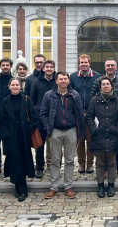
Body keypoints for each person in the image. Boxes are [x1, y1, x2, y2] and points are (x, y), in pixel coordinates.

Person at [41, 71, 85, 199]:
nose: (63, 81)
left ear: (68, 80)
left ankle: (68, 186)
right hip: (55, 130)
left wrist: (79, 132)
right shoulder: (49, 95)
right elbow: (43, 113)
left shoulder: (74, 95)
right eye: (61, 79)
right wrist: (48, 127)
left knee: (70, 160)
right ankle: (54, 187)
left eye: (65, 79)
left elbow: (80, 114)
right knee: (55, 160)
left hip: (71, 130)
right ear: (56, 81)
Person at [0, 78, 39, 202]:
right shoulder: (5, 101)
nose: (15, 87)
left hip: (23, 134)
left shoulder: (26, 99)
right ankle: (17, 185)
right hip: (11, 135)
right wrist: (5, 135)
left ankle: (23, 186)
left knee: (23, 159)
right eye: (13, 85)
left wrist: (28, 128)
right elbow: (1, 119)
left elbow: (34, 116)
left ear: (20, 87)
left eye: (17, 85)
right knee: (14, 160)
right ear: (9, 86)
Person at [86, 76, 118, 198]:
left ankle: (111, 186)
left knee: (112, 162)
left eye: (107, 84)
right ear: (100, 87)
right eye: (103, 84)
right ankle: (100, 186)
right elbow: (89, 116)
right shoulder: (94, 100)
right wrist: (94, 130)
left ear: (111, 86)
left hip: (113, 135)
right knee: (99, 163)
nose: (105, 86)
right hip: (99, 135)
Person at [89, 59, 118, 177]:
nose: (110, 67)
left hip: (116, 121)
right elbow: (93, 99)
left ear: (116, 67)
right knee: (103, 146)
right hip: (101, 121)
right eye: (108, 65)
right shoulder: (98, 81)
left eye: (112, 65)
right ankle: (105, 169)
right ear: (105, 67)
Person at [70, 54, 100, 174]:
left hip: (91, 112)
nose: (84, 65)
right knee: (80, 139)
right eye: (81, 63)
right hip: (77, 112)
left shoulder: (97, 76)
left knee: (90, 138)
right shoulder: (73, 77)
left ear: (89, 63)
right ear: (79, 64)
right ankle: (81, 164)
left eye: (86, 63)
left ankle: (90, 164)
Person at [30, 59, 57, 179]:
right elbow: (32, 100)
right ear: (43, 68)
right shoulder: (36, 82)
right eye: (47, 67)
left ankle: (53, 166)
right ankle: (40, 167)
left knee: (54, 144)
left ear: (54, 69)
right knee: (39, 145)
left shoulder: (57, 82)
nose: (49, 69)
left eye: (51, 67)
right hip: (40, 117)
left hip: (55, 118)